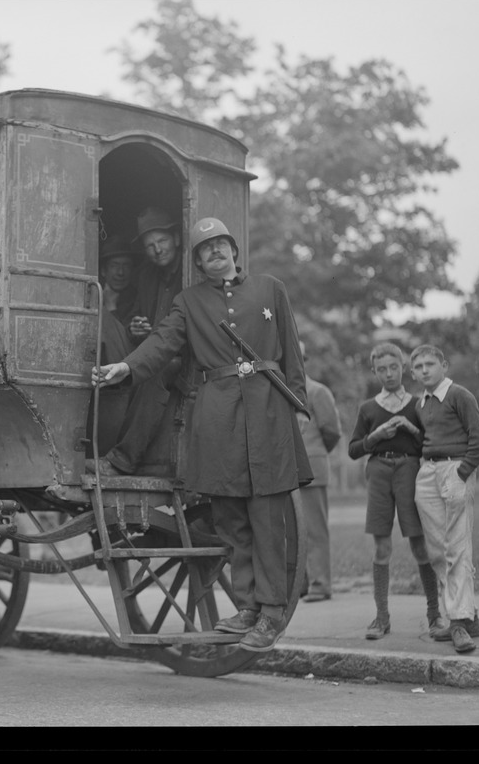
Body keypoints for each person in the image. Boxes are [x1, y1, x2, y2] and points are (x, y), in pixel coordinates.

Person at [92, 217, 313, 653]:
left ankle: (271, 612)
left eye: (220, 244)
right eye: (204, 248)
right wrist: (128, 367)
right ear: (196, 260)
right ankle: (247, 607)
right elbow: (163, 342)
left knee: (267, 516)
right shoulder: (188, 301)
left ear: (233, 249)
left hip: (268, 411)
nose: (214, 252)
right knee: (230, 515)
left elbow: (291, 351)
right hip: (216, 413)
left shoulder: (271, 288)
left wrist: (296, 403)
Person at [348, 343, 443, 640]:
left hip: (410, 472)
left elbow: (429, 444)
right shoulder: (368, 408)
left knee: (419, 546)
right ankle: (381, 618)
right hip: (378, 473)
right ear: (374, 371)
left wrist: (410, 428)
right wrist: (375, 436)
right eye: (381, 369)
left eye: (393, 367)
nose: (388, 374)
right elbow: (353, 450)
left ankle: (434, 614)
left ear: (403, 368)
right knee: (382, 548)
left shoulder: (417, 404)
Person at [87, 206, 183, 476]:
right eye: (150, 245)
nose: (157, 249)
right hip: (152, 351)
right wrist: (136, 329)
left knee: (157, 372)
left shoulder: (189, 273)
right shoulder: (147, 277)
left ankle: (123, 459)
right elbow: (138, 321)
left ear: (176, 238)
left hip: (184, 358)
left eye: (162, 241)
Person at [409, 344, 479, 654]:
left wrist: (462, 472)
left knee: (457, 547)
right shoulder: (421, 403)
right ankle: (469, 616)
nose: (425, 370)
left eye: (431, 364)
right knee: (437, 552)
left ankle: (457, 621)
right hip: (428, 472)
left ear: (444, 365)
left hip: (455, 469)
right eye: (419, 367)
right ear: (413, 373)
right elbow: (427, 438)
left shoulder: (459, 395)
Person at [296, 342, 341, 603]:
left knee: (315, 531)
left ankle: (321, 584)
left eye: (298, 358)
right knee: (293, 533)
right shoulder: (283, 392)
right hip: (288, 473)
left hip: (312, 469)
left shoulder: (317, 391)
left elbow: (332, 432)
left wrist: (314, 453)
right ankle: (300, 585)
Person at [97, 236, 138, 364]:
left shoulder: (137, 300)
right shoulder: (93, 295)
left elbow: (123, 349)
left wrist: (111, 307)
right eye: (114, 265)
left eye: (126, 266)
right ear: (103, 271)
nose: (120, 272)